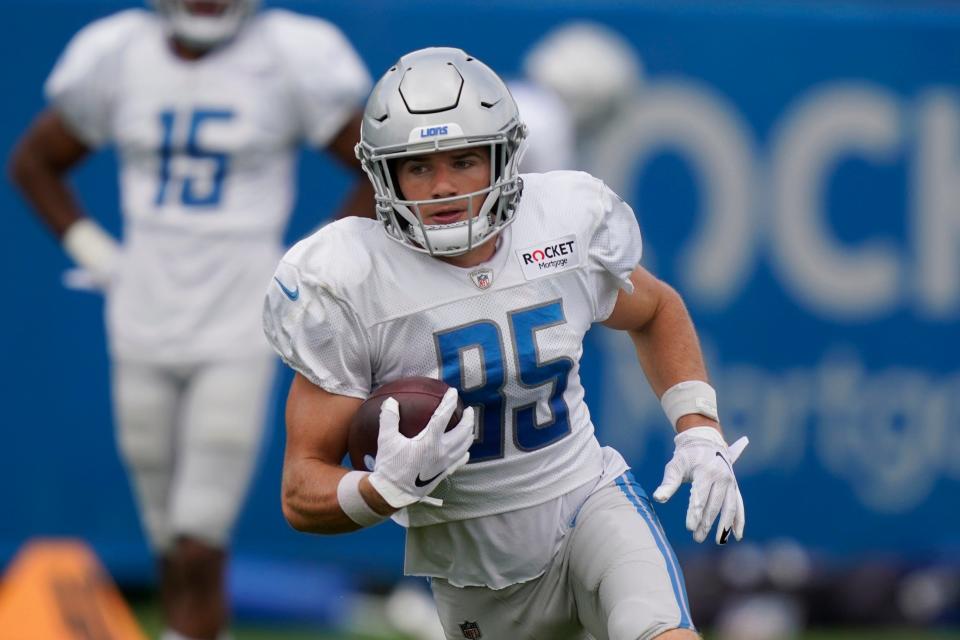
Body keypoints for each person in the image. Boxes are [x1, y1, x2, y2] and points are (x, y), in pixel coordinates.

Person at [263, 47, 747, 640]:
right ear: (383, 175)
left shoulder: (562, 221)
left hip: (587, 504)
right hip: (475, 575)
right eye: (417, 167)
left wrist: (698, 427)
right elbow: (299, 489)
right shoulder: (350, 280)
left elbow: (657, 309)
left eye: (463, 160)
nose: (442, 187)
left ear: (502, 158)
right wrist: (380, 488)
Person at [7, 1, 372, 639]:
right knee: (168, 542)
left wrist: (312, 259)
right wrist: (93, 250)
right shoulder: (119, 52)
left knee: (200, 536)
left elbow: (375, 164)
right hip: (140, 318)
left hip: (239, 321)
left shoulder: (289, 53)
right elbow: (34, 161)